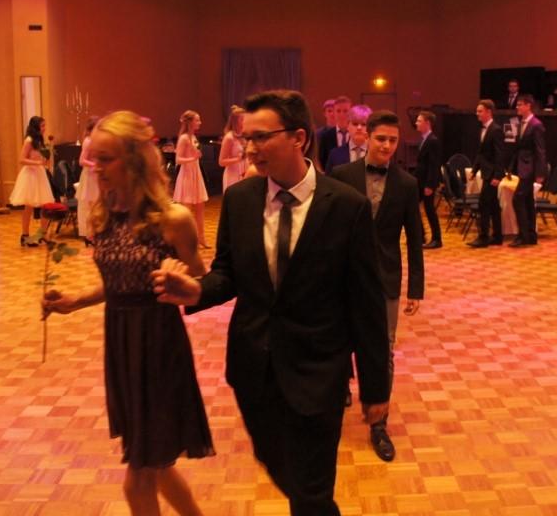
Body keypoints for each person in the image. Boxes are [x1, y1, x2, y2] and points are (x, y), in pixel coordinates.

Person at [152, 89, 389, 516]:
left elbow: (367, 305)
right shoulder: (241, 200)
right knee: (281, 467)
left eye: (261, 137)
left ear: (298, 138)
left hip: (318, 372)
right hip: (254, 370)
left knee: (311, 492)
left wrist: (375, 390)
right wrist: (197, 291)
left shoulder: (346, 207)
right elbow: (228, 272)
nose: (250, 148)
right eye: (248, 138)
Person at [43, 111, 213, 516]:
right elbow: (121, 284)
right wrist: (74, 301)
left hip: (158, 348)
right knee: (156, 464)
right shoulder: (105, 215)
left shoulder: (173, 219)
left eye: (106, 159)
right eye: (94, 158)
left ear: (135, 160)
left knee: (138, 478)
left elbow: (202, 280)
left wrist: (178, 278)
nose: (95, 167)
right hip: (121, 347)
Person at [330, 110, 424, 463]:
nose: (386, 145)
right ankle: (340, 389)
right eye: (381, 138)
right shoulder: (342, 176)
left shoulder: (407, 184)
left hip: (385, 278)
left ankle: (379, 423)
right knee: (338, 340)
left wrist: (416, 289)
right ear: (366, 137)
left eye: (393, 140)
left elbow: (414, 239)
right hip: (343, 276)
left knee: (383, 350)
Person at [10, 116, 55, 247]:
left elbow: (40, 157)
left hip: (39, 174)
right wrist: (37, 163)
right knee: (29, 206)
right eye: (42, 126)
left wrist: (45, 160)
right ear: (36, 127)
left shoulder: (39, 140)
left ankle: (43, 234)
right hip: (30, 175)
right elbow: (21, 159)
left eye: (45, 125)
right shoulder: (29, 140)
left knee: (46, 205)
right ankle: (25, 235)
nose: (44, 128)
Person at [467, 99, 506, 248]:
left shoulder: (496, 130)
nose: (477, 113)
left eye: (480, 111)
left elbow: (500, 155)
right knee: (494, 205)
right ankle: (497, 236)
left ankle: (483, 237)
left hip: (492, 174)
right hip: (486, 172)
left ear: (489, 112)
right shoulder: (483, 129)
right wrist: (474, 169)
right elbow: (481, 153)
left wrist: (497, 176)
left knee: (484, 204)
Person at [509, 95, 546, 247]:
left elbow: (540, 150)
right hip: (522, 167)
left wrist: (540, 173)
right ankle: (531, 235)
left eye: (520, 104)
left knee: (517, 199)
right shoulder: (520, 123)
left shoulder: (536, 125)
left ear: (528, 106)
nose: (517, 107)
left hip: (529, 169)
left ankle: (523, 235)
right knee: (528, 201)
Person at [173, 110, 209, 248]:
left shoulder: (193, 136)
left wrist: (195, 157)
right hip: (187, 175)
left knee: (200, 207)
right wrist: (192, 158)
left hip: (196, 173)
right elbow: (178, 159)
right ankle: (188, 240)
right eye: (197, 120)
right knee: (187, 210)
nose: (200, 122)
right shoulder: (183, 138)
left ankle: (201, 237)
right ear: (190, 122)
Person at [415, 110, 442, 249]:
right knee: (414, 207)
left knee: (430, 210)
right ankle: (420, 236)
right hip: (420, 181)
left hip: (427, 183)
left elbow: (434, 165)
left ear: (427, 123)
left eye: (419, 121)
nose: (416, 123)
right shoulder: (424, 139)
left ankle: (437, 239)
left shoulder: (433, 141)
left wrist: (430, 185)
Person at [324, 104, 371, 173]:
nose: (359, 128)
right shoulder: (335, 154)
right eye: (355, 124)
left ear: (370, 128)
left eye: (363, 124)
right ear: (348, 126)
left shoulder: (376, 154)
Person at [77, 117, 100, 245]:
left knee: (95, 207)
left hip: (94, 176)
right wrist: (95, 165)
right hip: (90, 177)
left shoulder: (95, 140)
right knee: (90, 207)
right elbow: (82, 161)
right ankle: (89, 235)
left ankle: (93, 234)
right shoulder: (88, 141)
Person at [218, 105, 248, 192]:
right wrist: (238, 159)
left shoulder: (244, 135)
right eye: (242, 119)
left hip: (245, 172)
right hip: (233, 176)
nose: (245, 121)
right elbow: (221, 162)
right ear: (235, 121)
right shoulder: (229, 137)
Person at [317, 95, 352, 168]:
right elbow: (322, 161)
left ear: (351, 113)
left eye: (345, 111)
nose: (342, 114)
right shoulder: (326, 136)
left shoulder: (355, 134)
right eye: (338, 111)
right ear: (334, 113)